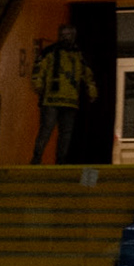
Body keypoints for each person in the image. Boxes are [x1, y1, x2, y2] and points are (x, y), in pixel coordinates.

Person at [31, 25, 96, 165]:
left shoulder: (79, 55)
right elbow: (39, 70)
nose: (65, 37)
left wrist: (91, 90)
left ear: (73, 36)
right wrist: (38, 84)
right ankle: (37, 157)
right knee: (46, 130)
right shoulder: (50, 52)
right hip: (51, 99)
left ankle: (60, 161)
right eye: (62, 35)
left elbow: (87, 74)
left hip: (70, 101)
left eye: (68, 35)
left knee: (66, 134)